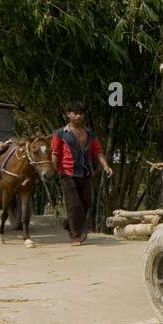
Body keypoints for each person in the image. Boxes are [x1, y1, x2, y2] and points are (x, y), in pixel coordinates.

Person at [51, 102, 113, 245]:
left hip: (86, 172)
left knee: (87, 203)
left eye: (81, 113)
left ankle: (69, 224)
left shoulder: (90, 134)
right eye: (75, 113)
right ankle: (75, 236)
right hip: (67, 173)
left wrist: (106, 166)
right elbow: (55, 153)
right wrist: (56, 169)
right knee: (74, 205)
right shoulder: (60, 133)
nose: (78, 116)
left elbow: (98, 151)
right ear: (68, 114)